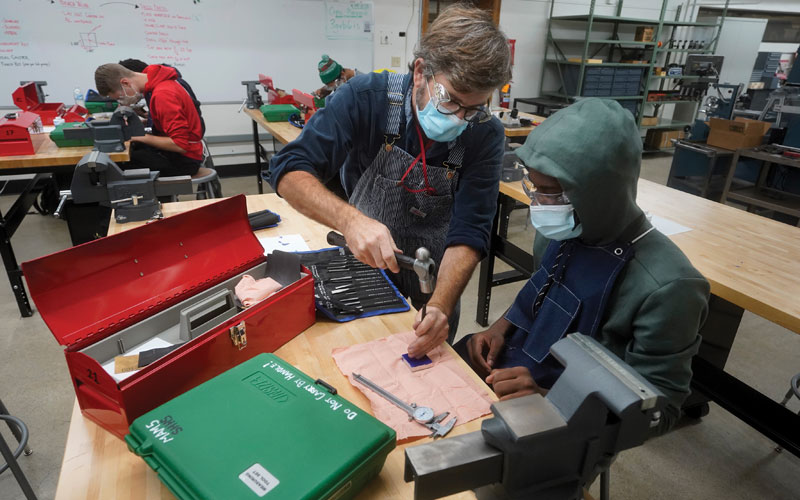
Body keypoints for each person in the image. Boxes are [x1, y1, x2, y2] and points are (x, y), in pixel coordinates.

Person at [268, 5, 512, 358]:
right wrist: (351, 221)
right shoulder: (365, 97)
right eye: (451, 101)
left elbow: (471, 230)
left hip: (437, 275)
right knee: (356, 358)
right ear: (420, 72)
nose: (459, 119)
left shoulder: (484, 134)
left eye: (472, 109)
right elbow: (289, 170)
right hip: (363, 263)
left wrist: (441, 306)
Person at [455, 98, 710, 435]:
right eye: (534, 188)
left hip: (576, 422)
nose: (539, 205)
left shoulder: (670, 287)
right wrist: (499, 329)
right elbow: (540, 297)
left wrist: (550, 402)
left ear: (599, 193)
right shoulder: (563, 232)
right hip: (518, 369)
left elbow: (660, 413)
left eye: (551, 193)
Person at [94, 63, 205, 177]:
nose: (121, 102)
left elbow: (180, 145)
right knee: (132, 153)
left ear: (125, 83)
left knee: (113, 167)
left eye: (120, 98)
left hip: (184, 160)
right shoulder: (153, 82)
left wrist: (138, 137)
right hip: (175, 153)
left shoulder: (163, 94)